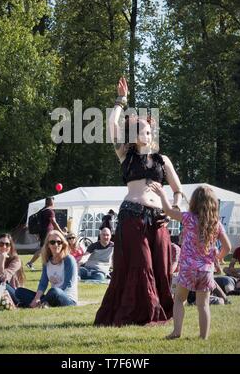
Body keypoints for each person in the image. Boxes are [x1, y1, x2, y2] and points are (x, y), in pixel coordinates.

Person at [94, 77, 183, 326]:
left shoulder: (163, 160)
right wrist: (121, 100)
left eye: (147, 129)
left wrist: (173, 207)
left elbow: (177, 190)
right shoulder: (126, 156)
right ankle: (141, 313)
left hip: (159, 219)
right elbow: (111, 124)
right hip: (132, 215)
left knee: (161, 266)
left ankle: (160, 309)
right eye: (140, 129)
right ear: (134, 135)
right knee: (141, 264)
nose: (145, 132)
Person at [152, 184, 231, 340]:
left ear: (194, 201)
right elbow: (228, 247)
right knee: (203, 305)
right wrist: (218, 258)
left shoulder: (188, 218)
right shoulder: (216, 224)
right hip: (206, 270)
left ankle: (176, 332)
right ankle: (203, 337)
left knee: (180, 300)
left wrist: (161, 193)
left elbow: (168, 211)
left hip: (188, 268)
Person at [16, 230, 78, 308]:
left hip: (67, 298)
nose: (56, 245)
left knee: (54, 291)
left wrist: (45, 298)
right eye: (52, 242)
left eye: (59, 242)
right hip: (51, 297)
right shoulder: (47, 261)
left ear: (63, 244)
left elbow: (68, 285)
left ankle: (34, 305)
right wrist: (36, 298)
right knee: (19, 291)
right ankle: (41, 303)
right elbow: (43, 283)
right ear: (48, 245)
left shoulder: (68, 259)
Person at [26, 197, 62, 270]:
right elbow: (54, 222)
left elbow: (39, 224)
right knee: (44, 249)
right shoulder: (50, 211)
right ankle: (34, 264)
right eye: (53, 202)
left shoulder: (41, 211)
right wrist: (62, 232)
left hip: (42, 233)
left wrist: (38, 234)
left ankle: (41, 264)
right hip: (47, 233)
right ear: (52, 203)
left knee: (44, 249)